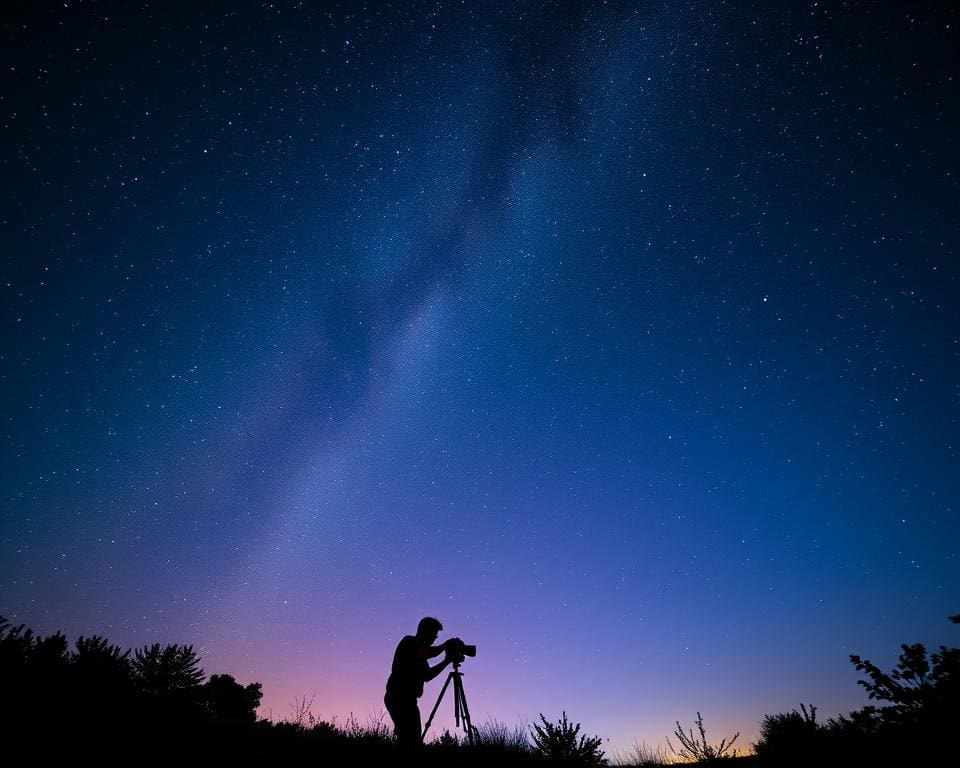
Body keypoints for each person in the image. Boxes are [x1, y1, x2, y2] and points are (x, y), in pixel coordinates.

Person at [384, 616, 453, 750]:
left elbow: (427, 676)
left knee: (409, 740)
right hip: (398, 698)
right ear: (424, 632)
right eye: (433, 636)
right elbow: (427, 652)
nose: (434, 640)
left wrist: (447, 661)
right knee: (411, 741)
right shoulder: (409, 642)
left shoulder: (421, 658)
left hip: (408, 701)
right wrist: (444, 646)